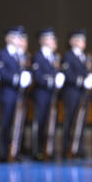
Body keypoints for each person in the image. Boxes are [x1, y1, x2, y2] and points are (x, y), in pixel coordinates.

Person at [0, 26, 31, 162]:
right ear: (8, 38)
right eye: (16, 37)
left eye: (20, 37)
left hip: (19, 94)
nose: (19, 40)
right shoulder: (3, 54)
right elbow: (2, 73)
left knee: (17, 123)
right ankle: (2, 152)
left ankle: (15, 151)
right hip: (7, 93)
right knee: (5, 123)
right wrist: (16, 78)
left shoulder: (21, 55)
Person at [61, 29, 92, 158]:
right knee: (70, 119)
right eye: (79, 39)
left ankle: (78, 147)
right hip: (72, 91)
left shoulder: (85, 56)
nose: (82, 42)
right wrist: (81, 80)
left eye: (83, 40)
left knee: (81, 120)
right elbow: (68, 75)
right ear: (71, 41)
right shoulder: (68, 56)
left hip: (82, 93)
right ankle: (67, 148)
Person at [31, 28, 59, 161]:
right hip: (41, 94)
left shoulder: (54, 56)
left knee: (49, 122)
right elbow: (37, 76)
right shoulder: (38, 56)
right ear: (42, 41)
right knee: (39, 122)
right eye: (50, 39)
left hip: (51, 94)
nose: (54, 41)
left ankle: (47, 149)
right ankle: (36, 150)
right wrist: (52, 81)